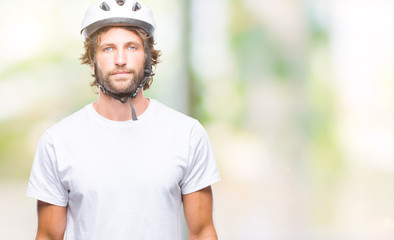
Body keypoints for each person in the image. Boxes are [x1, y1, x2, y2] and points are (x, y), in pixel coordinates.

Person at [26, 1, 221, 239]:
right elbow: (48, 235)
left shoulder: (187, 133)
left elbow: (202, 232)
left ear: (149, 58)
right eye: (108, 48)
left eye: (131, 47)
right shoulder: (57, 141)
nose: (120, 59)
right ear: (91, 61)